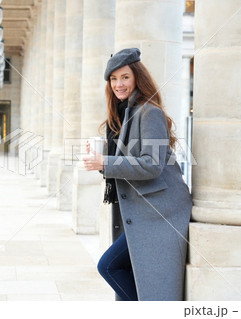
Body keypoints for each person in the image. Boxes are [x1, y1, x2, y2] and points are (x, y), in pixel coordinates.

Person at [83, 48, 192, 301]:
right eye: (113, 79)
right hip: (141, 211)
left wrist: (105, 162)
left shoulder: (149, 111)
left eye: (125, 77)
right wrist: (101, 155)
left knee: (108, 266)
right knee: (125, 272)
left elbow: (151, 165)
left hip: (159, 212)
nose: (118, 84)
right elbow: (129, 156)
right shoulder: (126, 113)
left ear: (137, 78)